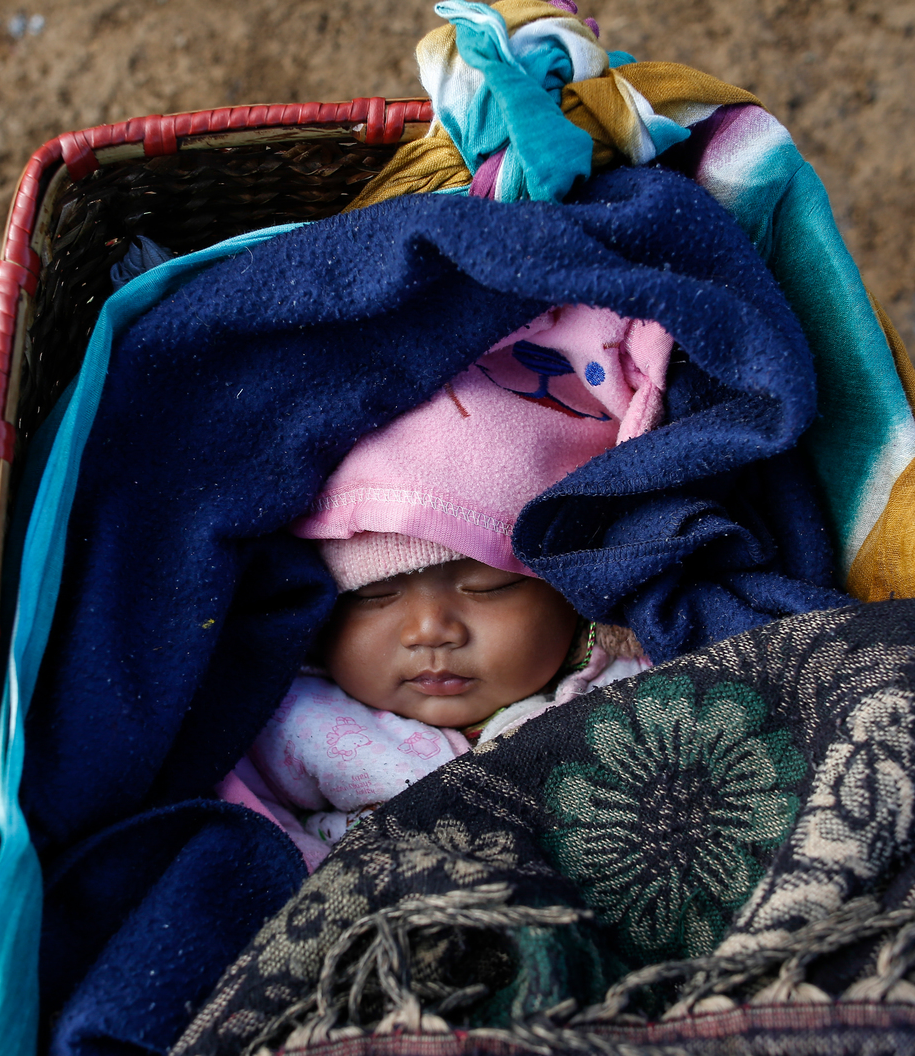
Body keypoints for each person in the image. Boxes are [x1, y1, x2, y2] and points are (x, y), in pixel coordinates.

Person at [216, 303, 669, 868]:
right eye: (372, 595)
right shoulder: (292, 722)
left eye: (487, 586)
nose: (431, 629)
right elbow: (243, 827)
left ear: (572, 592)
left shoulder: (634, 686)